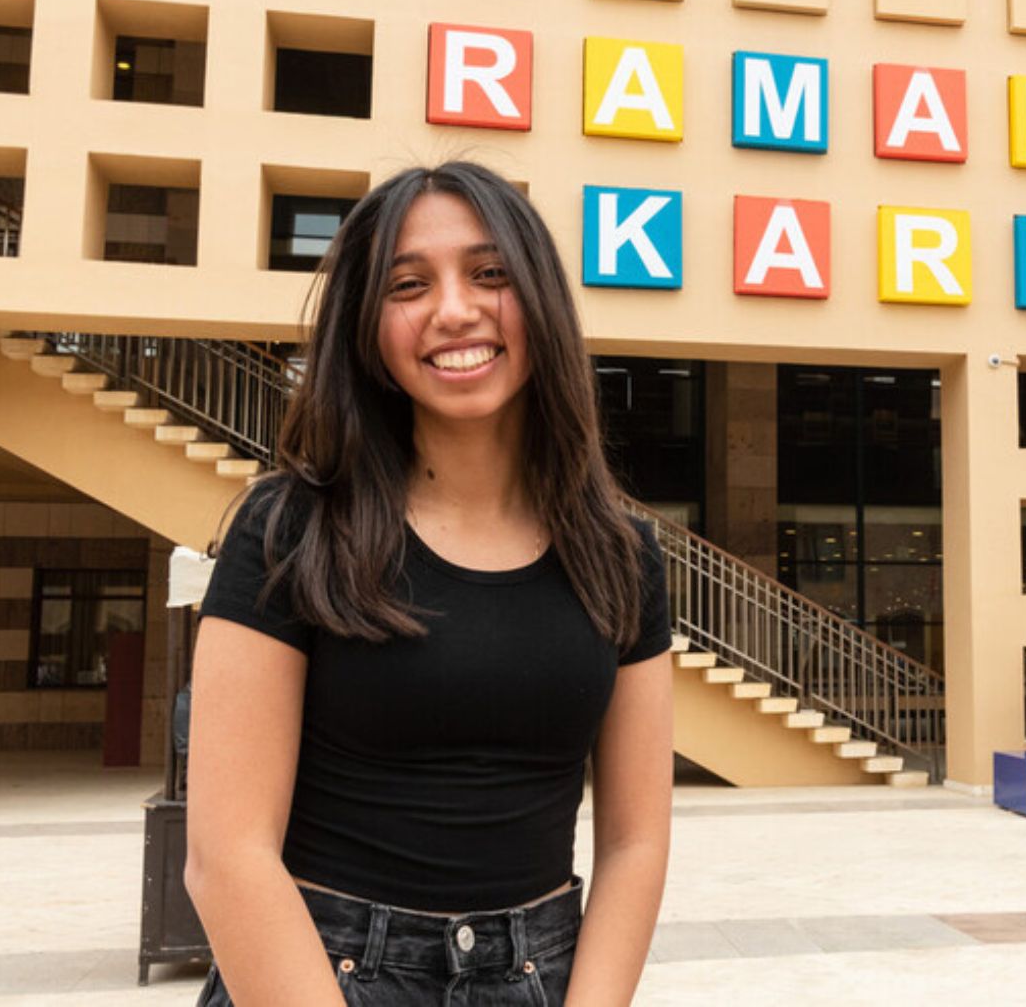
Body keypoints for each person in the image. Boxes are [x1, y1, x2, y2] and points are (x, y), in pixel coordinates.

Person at [183, 161, 674, 1007]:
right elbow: (226, 857)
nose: (454, 310)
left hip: (541, 977)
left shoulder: (622, 555)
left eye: (490, 274)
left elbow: (636, 844)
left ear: (543, 304)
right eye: (408, 285)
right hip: (319, 975)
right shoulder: (291, 529)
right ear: (369, 329)